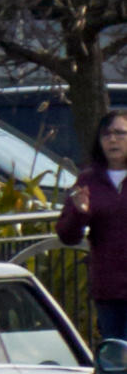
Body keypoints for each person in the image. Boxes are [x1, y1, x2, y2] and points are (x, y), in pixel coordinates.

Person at [61, 111, 127, 351]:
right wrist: (80, 212)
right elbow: (67, 235)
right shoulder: (89, 180)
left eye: (119, 133)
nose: (112, 140)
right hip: (108, 287)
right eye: (106, 134)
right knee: (114, 356)